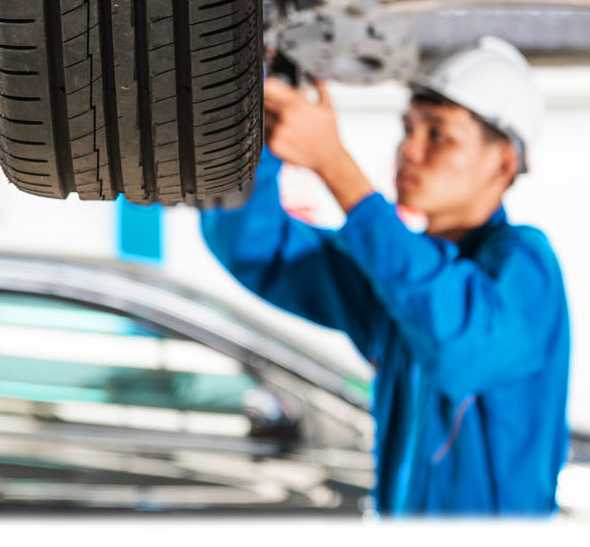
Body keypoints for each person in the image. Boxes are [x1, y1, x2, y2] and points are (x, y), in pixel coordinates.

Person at [201, 36, 569, 517]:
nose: (409, 150)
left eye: (439, 134)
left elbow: (461, 346)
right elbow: (258, 248)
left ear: (503, 162)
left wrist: (335, 164)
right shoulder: (397, 281)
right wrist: (262, 135)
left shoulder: (524, 264)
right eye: (408, 128)